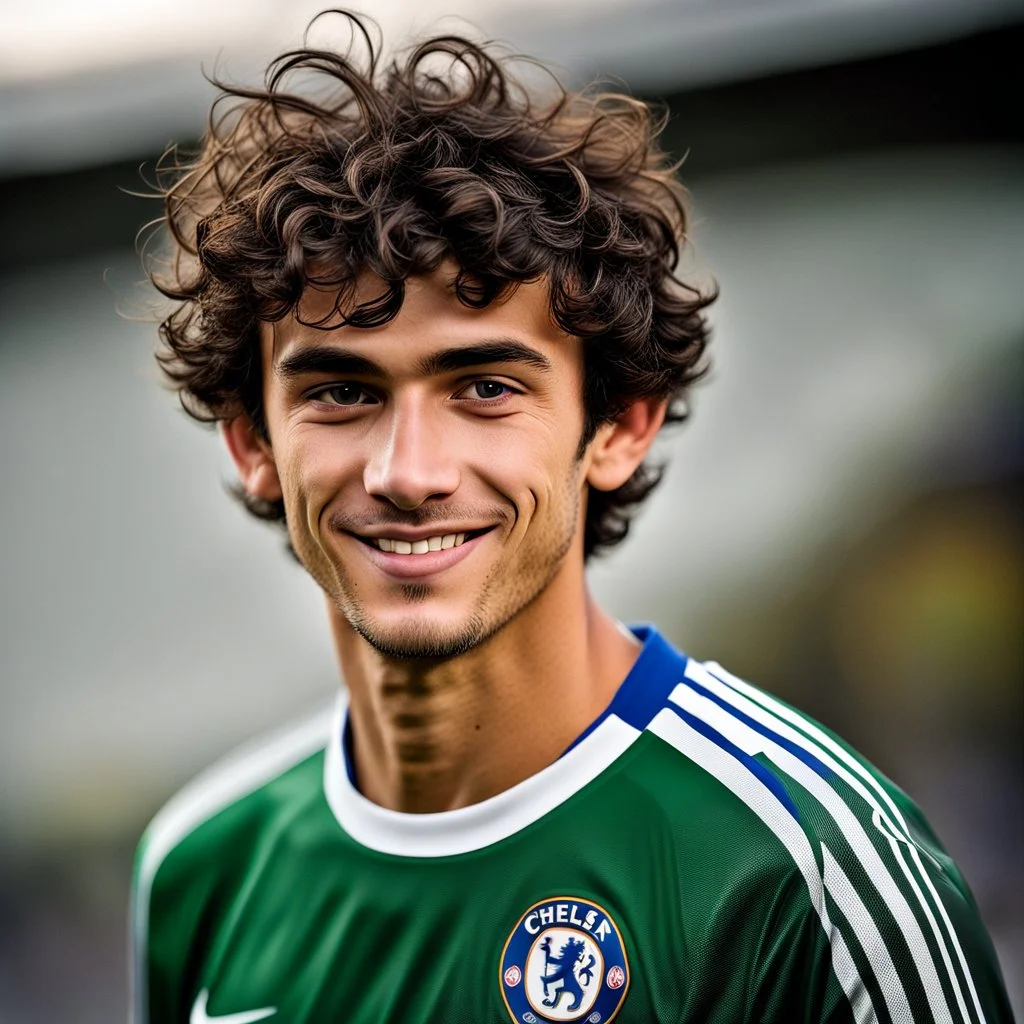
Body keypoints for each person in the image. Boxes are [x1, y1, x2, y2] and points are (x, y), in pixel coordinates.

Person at [130, 14, 1012, 1024]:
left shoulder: (802, 869)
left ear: (617, 426)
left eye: (485, 386)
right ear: (253, 444)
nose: (408, 471)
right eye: (340, 392)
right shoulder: (200, 864)